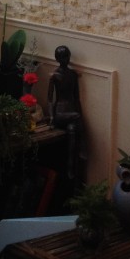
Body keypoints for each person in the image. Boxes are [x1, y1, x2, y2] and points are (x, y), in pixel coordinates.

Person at [48, 45, 82, 180]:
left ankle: (70, 169)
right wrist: (51, 117)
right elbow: (49, 100)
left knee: (72, 129)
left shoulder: (73, 75)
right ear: (57, 58)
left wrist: (80, 113)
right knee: (77, 117)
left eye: (67, 56)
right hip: (60, 113)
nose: (65, 59)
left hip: (71, 113)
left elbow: (77, 98)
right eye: (62, 57)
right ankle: (83, 148)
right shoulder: (54, 76)